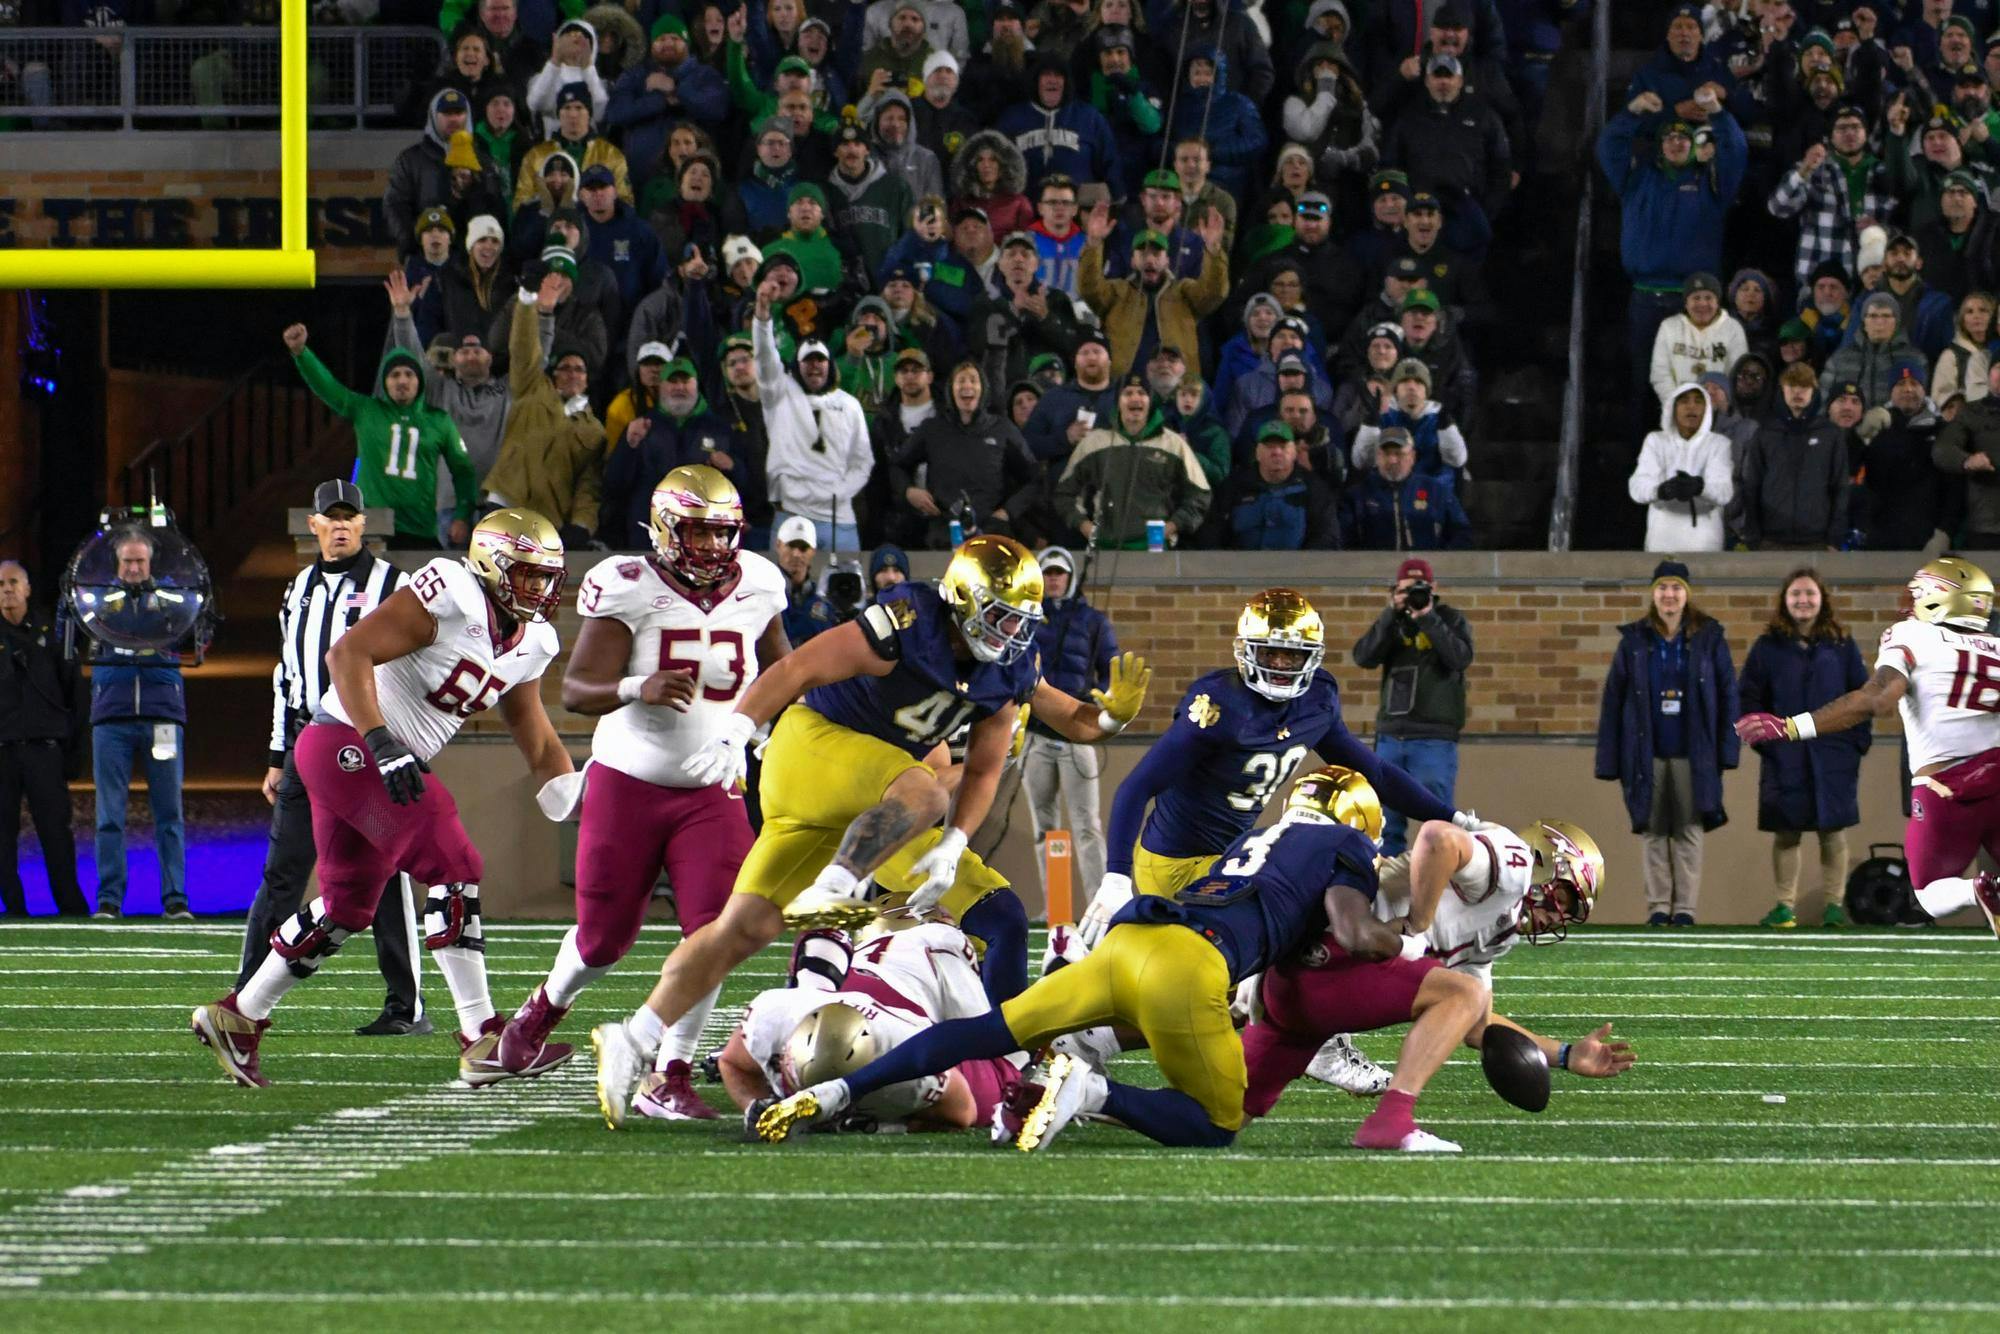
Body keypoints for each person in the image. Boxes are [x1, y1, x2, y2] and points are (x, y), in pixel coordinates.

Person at [591, 536, 1149, 1126]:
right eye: (1000, 616)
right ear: (962, 600)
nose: (1010, 633)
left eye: (1019, 621)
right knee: (924, 785)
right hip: (812, 753)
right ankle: (838, 883)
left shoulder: (1008, 666)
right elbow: (797, 666)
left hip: (877, 803)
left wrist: (1109, 719)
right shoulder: (908, 620)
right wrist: (738, 728)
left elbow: (997, 761)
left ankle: (633, 1035)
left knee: (745, 926)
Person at [751, 766, 1405, 1151]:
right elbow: (1353, 935)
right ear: (1359, 822)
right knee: (1216, 1124)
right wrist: (1403, 933)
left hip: (1132, 938)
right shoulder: (1346, 846)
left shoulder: (1260, 837)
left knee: (986, 1034)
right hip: (1189, 965)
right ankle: (1089, 1087)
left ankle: (837, 1091)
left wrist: (843, 1087)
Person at [190, 511, 577, 1089]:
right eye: (527, 574)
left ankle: (239, 1015)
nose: (540, 590)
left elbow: (535, 729)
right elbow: (347, 655)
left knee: (347, 904)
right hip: (348, 739)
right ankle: (482, 1037)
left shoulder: (534, 639)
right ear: (492, 565)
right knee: (455, 863)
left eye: (547, 577)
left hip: (382, 755)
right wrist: (380, 740)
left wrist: (574, 799)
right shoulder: (451, 590)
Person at [1078, 588, 1473, 1092]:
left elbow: (1373, 770)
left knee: (1250, 969)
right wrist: (1114, 877)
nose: (1283, 664)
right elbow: (1138, 786)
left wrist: (1451, 815)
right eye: (1272, 653)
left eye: (1294, 654)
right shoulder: (1219, 706)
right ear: (1246, 651)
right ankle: (1318, 1046)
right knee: (1255, 964)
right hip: (1177, 861)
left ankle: (1095, 1032)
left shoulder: (1316, 700)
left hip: (1234, 854)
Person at [496, 468, 789, 1115]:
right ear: (664, 530)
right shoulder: (628, 586)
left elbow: (783, 671)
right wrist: (638, 686)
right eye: (698, 531)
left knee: (713, 933)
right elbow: (576, 691)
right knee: (603, 939)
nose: (712, 547)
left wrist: (766, 733)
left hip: (712, 787)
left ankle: (670, 1075)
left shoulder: (761, 584)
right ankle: (541, 1013)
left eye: (721, 532)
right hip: (627, 782)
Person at [1243, 814, 1632, 1141]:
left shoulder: (1500, 931)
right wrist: (1417, 925)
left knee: (1220, 1117)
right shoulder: (1509, 868)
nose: (1556, 917)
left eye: (1570, 912)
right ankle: (1391, 1120)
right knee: (1463, 992)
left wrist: (1564, 1054)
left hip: (1311, 991)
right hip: (1327, 952)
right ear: (1542, 861)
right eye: (1563, 898)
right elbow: (1437, 837)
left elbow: (1477, 1027)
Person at [238, 481, 425, 1037]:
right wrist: (278, 752)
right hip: (307, 746)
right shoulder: (298, 587)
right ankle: (245, 1000)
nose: (340, 526)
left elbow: (418, 666)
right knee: (282, 872)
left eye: (350, 517)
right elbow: (287, 675)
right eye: (330, 518)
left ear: (364, 524)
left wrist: (400, 740)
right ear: (313, 526)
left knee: (385, 872)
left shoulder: (397, 585)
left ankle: (405, 1007)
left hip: (368, 745)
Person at [1736, 557, 2000, 940]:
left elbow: (1875, 699)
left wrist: (1793, 725)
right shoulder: (1996, 645)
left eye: (1920, 593)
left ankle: (1977, 889)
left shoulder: (1913, 635)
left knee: (1929, 894)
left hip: (1947, 786)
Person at [718, 918, 1030, 1133]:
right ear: (787, 1051)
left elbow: (962, 1111)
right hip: (870, 977)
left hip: (930, 966)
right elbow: (732, 1062)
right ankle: (816, 970)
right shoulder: (774, 1016)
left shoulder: (903, 1053)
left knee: (1005, 1080)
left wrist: (886, 1125)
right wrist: (753, 1105)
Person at [1596, 560, 1740, 927]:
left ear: (1687, 594)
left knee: (1690, 831)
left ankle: (1686, 910)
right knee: (1653, 830)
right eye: (1662, 588)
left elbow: (1728, 695)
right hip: (1647, 753)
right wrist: (1609, 760)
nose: (1669, 595)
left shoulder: (1710, 637)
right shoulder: (1634, 641)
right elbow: (1614, 700)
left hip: (1696, 753)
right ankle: (1659, 908)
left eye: (1676, 588)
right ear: (1653, 593)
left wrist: (1728, 750)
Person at [1737, 570, 1870, 929]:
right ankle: (1784, 907)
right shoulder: (1767, 647)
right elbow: (1749, 696)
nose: (1803, 600)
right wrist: (1767, 743)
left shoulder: (1842, 645)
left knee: (1834, 831)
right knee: (1786, 832)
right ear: (1785, 600)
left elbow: (1862, 697)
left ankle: (1833, 907)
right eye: (1796, 594)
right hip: (1785, 756)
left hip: (1835, 754)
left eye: (1809, 594)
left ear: (1822, 598)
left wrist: (1857, 743)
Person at [284, 323, 477, 551]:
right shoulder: (367, 410)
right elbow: (328, 388)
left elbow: (463, 470)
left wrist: (463, 514)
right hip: (372, 528)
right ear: (385, 382)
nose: (402, 381)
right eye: (395, 375)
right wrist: (301, 353)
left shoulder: (439, 420)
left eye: (409, 374)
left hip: (420, 526)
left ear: (420, 381)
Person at [85, 530, 190, 921]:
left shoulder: (172, 600)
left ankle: (176, 899)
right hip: (111, 719)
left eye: (139, 561)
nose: (132, 568)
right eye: (127, 561)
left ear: (150, 564)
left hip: (162, 717)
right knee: (109, 814)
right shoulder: (97, 600)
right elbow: (77, 627)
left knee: (169, 811)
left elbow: (195, 626)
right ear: (117, 564)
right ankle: (109, 900)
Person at [1351, 557, 1473, 857]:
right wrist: (1392, 613)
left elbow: (1459, 658)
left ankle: (1437, 890)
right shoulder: (1393, 621)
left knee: (1439, 823)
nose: (1414, 594)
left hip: (1434, 738)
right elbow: (1364, 656)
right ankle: (1386, 889)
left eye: (1420, 587)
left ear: (1434, 588)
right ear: (1396, 589)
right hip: (1391, 736)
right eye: (1407, 589)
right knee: (1384, 823)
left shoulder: (1451, 619)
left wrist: (1428, 616)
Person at [1019, 546, 1118, 906]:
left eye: (1060, 572)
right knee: (1047, 827)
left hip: (1078, 733)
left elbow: (1112, 667)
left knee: (1087, 825)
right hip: (1035, 736)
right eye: (1048, 573)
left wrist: (1104, 704)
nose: (1054, 578)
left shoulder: (1093, 620)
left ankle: (1098, 906)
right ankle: (1057, 906)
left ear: (1071, 576)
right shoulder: (1026, 619)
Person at [481, 270, 607, 548]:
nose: (572, 374)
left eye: (579, 369)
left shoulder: (595, 429)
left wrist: (582, 525)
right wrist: (529, 302)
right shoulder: (532, 388)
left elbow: (589, 485)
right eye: (565, 368)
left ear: (587, 379)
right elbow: (524, 347)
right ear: (554, 374)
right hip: (502, 507)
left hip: (548, 522)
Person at [754, 278, 872, 553]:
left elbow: (863, 460)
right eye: (808, 361)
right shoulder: (779, 395)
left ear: (830, 365)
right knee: (784, 591)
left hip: (838, 519)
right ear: (797, 366)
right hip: (790, 514)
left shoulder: (850, 404)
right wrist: (762, 314)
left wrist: (841, 492)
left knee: (845, 587)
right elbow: (764, 356)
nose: (815, 366)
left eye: (820, 360)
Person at [0, 559, 86, 917]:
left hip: (44, 749)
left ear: (28, 588)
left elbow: (75, 695)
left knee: (55, 832)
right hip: (3, 751)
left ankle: (70, 906)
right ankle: (14, 906)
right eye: (1, 583)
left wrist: (73, 754)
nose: (7, 589)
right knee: (2, 836)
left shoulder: (53, 632)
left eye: (14, 582)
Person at [890, 362, 1040, 550]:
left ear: (983, 389)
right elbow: (897, 466)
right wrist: (909, 491)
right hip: (943, 532)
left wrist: (1007, 512)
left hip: (992, 531)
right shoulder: (932, 428)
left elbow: (1033, 478)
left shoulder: (1002, 429)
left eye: (973, 380)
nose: (967, 386)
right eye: (961, 381)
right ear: (951, 390)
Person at [1053, 373, 1213, 549]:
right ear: (1118, 402)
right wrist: (1086, 528)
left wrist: (1170, 527)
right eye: (1128, 393)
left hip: (1155, 547)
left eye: (1142, 393)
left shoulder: (1174, 444)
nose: (1135, 398)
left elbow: (1200, 495)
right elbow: (1063, 495)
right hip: (1105, 548)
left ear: (1150, 401)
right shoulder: (1093, 443)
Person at [1077, 200, 1229, 379]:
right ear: (1133, 261)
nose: (1150, 259)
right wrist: (1093, 243)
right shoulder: (1117, 291)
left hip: (1175, 392)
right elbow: (1089, 288)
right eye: (1143, 253)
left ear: (1167, 261)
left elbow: (1214, 292)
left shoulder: (1184, 292)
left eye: (1157, 253)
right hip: (1123, 390)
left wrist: (1213, 250)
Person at [1739, 362, 1849, 551]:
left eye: (1804, 387)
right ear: (1782, 389)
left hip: (1818, 540)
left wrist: (1834, 538)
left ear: (1813, 391)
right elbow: (1752, 486)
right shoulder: (1765, 432)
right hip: (1770, 540)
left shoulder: (1830, 434)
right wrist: (1753, 535)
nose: (1798, 392)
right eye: (1792, 386)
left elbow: (1840, 487)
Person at [1202, 421, 1343, 550]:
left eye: (1283, 446)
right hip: (1240, 572)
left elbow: (1327, 537)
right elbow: (1211, 533)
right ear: (1257, 452)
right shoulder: (1233, 485)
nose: (1276, 452)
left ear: (1294, 452)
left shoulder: (1314, 488)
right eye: (1269, 446)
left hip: (1296, 572)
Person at [1630, 383, 1736, 553]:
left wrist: (1700, 487)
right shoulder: (1655, 441)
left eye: (1698, 401)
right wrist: (1661, 491)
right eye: (1684, 401)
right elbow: (1637, 488)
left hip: (1705, 543)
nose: (1691, 406)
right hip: (1662, 541)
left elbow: (1724, 492)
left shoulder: (1719, 444)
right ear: (1672, 407)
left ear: (1707, 408)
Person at [1341, 426, 1471, 551]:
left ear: (1412, 457)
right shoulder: (1356, 496)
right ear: (1377, 457)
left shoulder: (1437, 491)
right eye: (1386, 454)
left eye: (1399, 454)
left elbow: (1462, 533)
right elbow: (1344, 541)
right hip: (1373, 570)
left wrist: (1441, 563)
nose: (1392, 460)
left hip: (1428, 570)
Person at [1649, 273, 1749, 409]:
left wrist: (1717, 405)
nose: (1702, 304)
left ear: (1717, 301)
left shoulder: (1733, 328)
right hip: (1678, 409)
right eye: (1696, 298)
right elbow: (1660, 374)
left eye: (1708, 298)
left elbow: (1738, 374)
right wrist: (1677, 405)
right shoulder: (1669, 326)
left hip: (1719, 410)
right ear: (1686, 302)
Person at [1934, 361, 2000, 549]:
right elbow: (1942, 449)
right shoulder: (1970, 413)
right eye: (1998, 367)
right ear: (1988, 375)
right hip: (1985, 526)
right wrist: (1967, 460)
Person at [774, 516, 837, 645]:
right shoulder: (763, 594)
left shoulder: (824, 602)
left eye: (803, 548)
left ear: (813, 551)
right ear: (778, 545)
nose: (796, 554)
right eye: (791, 546)